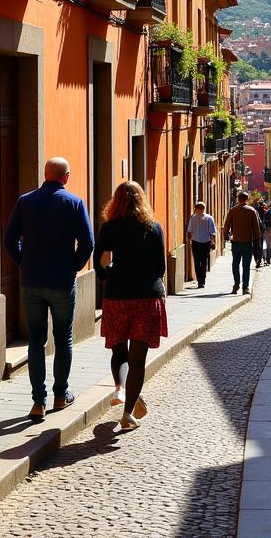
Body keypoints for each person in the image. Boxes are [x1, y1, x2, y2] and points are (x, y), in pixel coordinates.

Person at [3, 157, 94, 421]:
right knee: (63, 338)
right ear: (65, 176)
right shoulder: (75, 203)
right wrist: (73, 267)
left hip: (32, 281)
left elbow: (9, 240)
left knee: (36, 340)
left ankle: (38, 402)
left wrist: (24, 262)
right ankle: (60, 394)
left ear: (45, 175)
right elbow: (88, 244)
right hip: (62, 282)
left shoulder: (25, 201)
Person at [93, 181, 168, 432]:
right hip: (146, 297)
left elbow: (99, 261)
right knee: (138, 360)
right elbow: (161, 266)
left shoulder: (110, 227)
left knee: (119, 353)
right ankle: (127, 414)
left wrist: (108, 276)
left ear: (116, 201)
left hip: (117, 297)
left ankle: (122, 388)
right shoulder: (153, 227)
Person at [223, 191, 262, 294]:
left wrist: (225, 236)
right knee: (246, 265)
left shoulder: (232, 211)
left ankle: (236, 284)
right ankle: (245, 287)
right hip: (248, 242)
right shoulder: (252, 211)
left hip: (236, 242)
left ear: (238, 199)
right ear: (247, 199)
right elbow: (257, 228)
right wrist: (257, 240)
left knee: (235, 264)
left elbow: (226, 226)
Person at [186, 200, 216, 288]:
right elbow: (212, 232)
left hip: (196, 242)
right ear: (204, 209)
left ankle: (200, 280)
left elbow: (189, 231)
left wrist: (189, 240)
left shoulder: (193, 218)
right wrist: (213, 242)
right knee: (204, 261)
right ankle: (202, 280)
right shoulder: (209, 218)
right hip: (205, 242)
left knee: (197, 261)